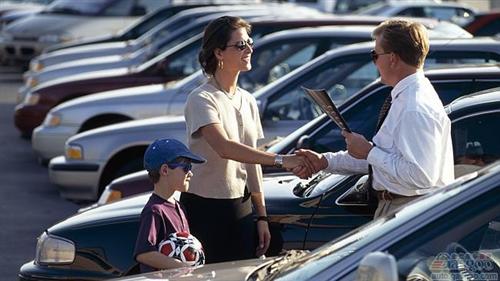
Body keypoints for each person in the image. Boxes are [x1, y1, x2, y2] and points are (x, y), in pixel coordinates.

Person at [182, 16, 312, 263]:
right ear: (219, 52)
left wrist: (261, 216)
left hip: (241, 208)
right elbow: (224, 148)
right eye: (241, 45)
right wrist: (283, 160)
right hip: (205, 208)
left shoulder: (248, 99)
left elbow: (251, 161)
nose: (250, 50)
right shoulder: (201, 98)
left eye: (249, 43)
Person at [295, 19, 454, 218]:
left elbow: (421, 177)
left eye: (375, 55)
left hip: (407, 209)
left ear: (393, 58)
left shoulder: (414, 105)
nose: (374, 62)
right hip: (400, 207)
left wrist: (369, 151)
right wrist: (324, 161)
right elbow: (384, 161)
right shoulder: (408, 97)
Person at [134, 138, 206, 273]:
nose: (190, 173)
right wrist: (181, 266)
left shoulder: (179, 206)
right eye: (186, 167)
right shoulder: (154, 210)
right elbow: (144, 254)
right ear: (165, 170)